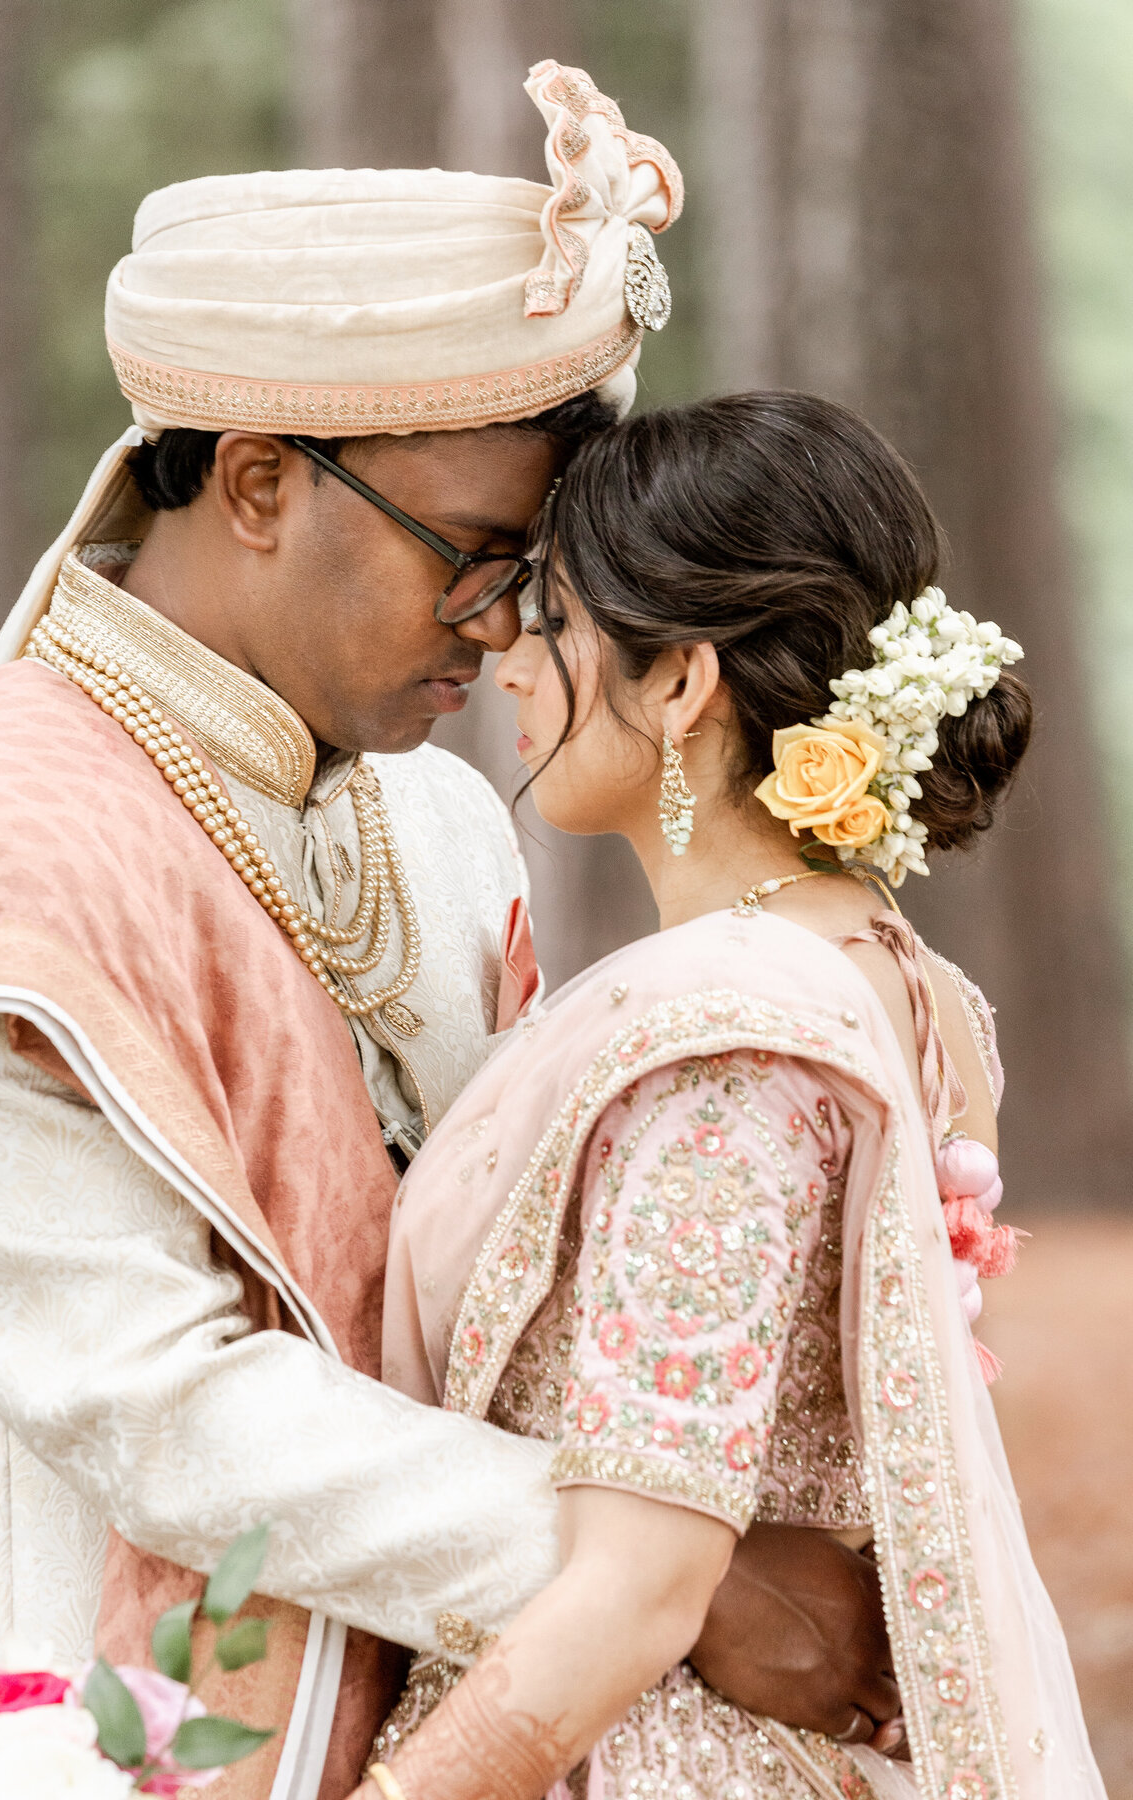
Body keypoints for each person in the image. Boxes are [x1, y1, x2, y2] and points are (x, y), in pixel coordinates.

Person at [0, 64, 899, 1800]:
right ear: (251, 483)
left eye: (536, 574)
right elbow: (147, 1398)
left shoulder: (442, 822)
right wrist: (661, 1583)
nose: (512, 624)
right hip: (84, 1723)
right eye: (472, 551)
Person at [364, 393, 1107, 1800]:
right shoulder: (910, 982)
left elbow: (638, 1591)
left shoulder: (731, 1041)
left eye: (561, 619)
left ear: (682, 682)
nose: (510, 659)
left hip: (641, 1750)